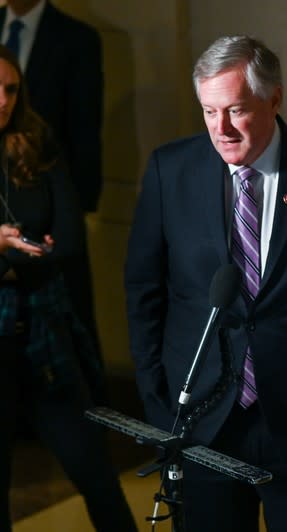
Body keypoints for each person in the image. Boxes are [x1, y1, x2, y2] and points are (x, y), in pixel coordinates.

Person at [125, 35, 287, 532]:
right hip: (202, 422)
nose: (221, 128)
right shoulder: (170, 169)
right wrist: (159, 403)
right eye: (209, 111)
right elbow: (144, 293)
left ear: (275, 98)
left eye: (235, 110)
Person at [0, 45, 135, 532]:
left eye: (12, 89)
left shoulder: (35, 141)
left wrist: (6, 252)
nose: (2, 99)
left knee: (94, 471)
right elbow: (45, 247)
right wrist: (16, 250)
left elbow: (71, 241)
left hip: (45, 333)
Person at [0, 0, 105, 403]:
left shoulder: (76, 38)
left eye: (10, 89)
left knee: (68, 361)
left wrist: (79, 213)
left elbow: (84, 129)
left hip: (42, 190)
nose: (2, 100)